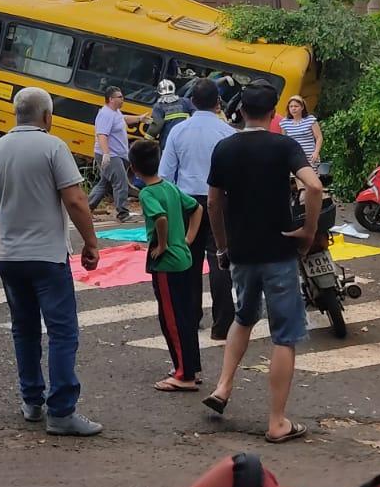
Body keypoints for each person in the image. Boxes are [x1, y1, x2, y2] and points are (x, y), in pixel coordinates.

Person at [0, 86, 103, 437]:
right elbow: (76, 199)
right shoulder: (53, 147)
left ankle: (32, 400)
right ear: (48, 116)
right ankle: (61, 411)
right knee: (62, 332)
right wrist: (91, 243)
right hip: (47, 258)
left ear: (16, 113)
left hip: (11, 259)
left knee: (25, 330)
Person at [202, 80, 323, 444]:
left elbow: (213, 203)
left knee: (244, 315)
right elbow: (314, 187)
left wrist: (223, 247)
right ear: (274, 114)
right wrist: (307, 230)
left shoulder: (224, 148)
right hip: (279, 251)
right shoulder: (283, 145)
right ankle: (276, 422)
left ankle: (223, 387)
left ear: (240, 111)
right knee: (284, 336)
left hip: (241, 251)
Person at [161, 76, 237, 341]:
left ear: (191, 101)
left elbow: (165, 175)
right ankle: (223, 325)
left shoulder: (178, 131)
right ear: (218, 103)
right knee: (221, 258)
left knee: (188, 262)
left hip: (186, 203)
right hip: (220, 201)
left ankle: (190, 319)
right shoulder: (227, 133)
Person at [130, 138, 203, 392]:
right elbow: (196, 208)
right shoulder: (170, 187)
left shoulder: (147, 193)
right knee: (186, 315)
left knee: (172, 319)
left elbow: (159, 218)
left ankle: (184, 375)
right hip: (183, 258)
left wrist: (161, 246)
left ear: (134, 167)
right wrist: (188, 239)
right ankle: (189, 366)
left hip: (167, 263)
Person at [87, 86, 136, 222]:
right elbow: (102, 135)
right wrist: (106, 154)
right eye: (119, 97)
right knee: (120, 183)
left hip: (116, 154)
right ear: (111, 99)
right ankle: (123, 214)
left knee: (105, 184)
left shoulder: (116, 112)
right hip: (111, 155)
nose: (122, 99)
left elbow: (123, 119)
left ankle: (86, 210)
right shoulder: (106, 114)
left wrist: (139, 118)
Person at [150, 78, 192, 152]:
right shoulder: (185, 102)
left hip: (168, 144)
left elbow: (156, 125)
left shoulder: (159, 106)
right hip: (186, 143)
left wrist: (147, 140)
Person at [280, 96, 323, 168]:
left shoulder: (310, 120)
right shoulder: (284, 122)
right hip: (294, 156)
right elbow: (285, 141)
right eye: (291, 106)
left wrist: (316, 152)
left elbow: (319, 137)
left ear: (302, 107)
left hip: (310, 156)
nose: (293, 108)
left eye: (296, 106)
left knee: (310, 178)